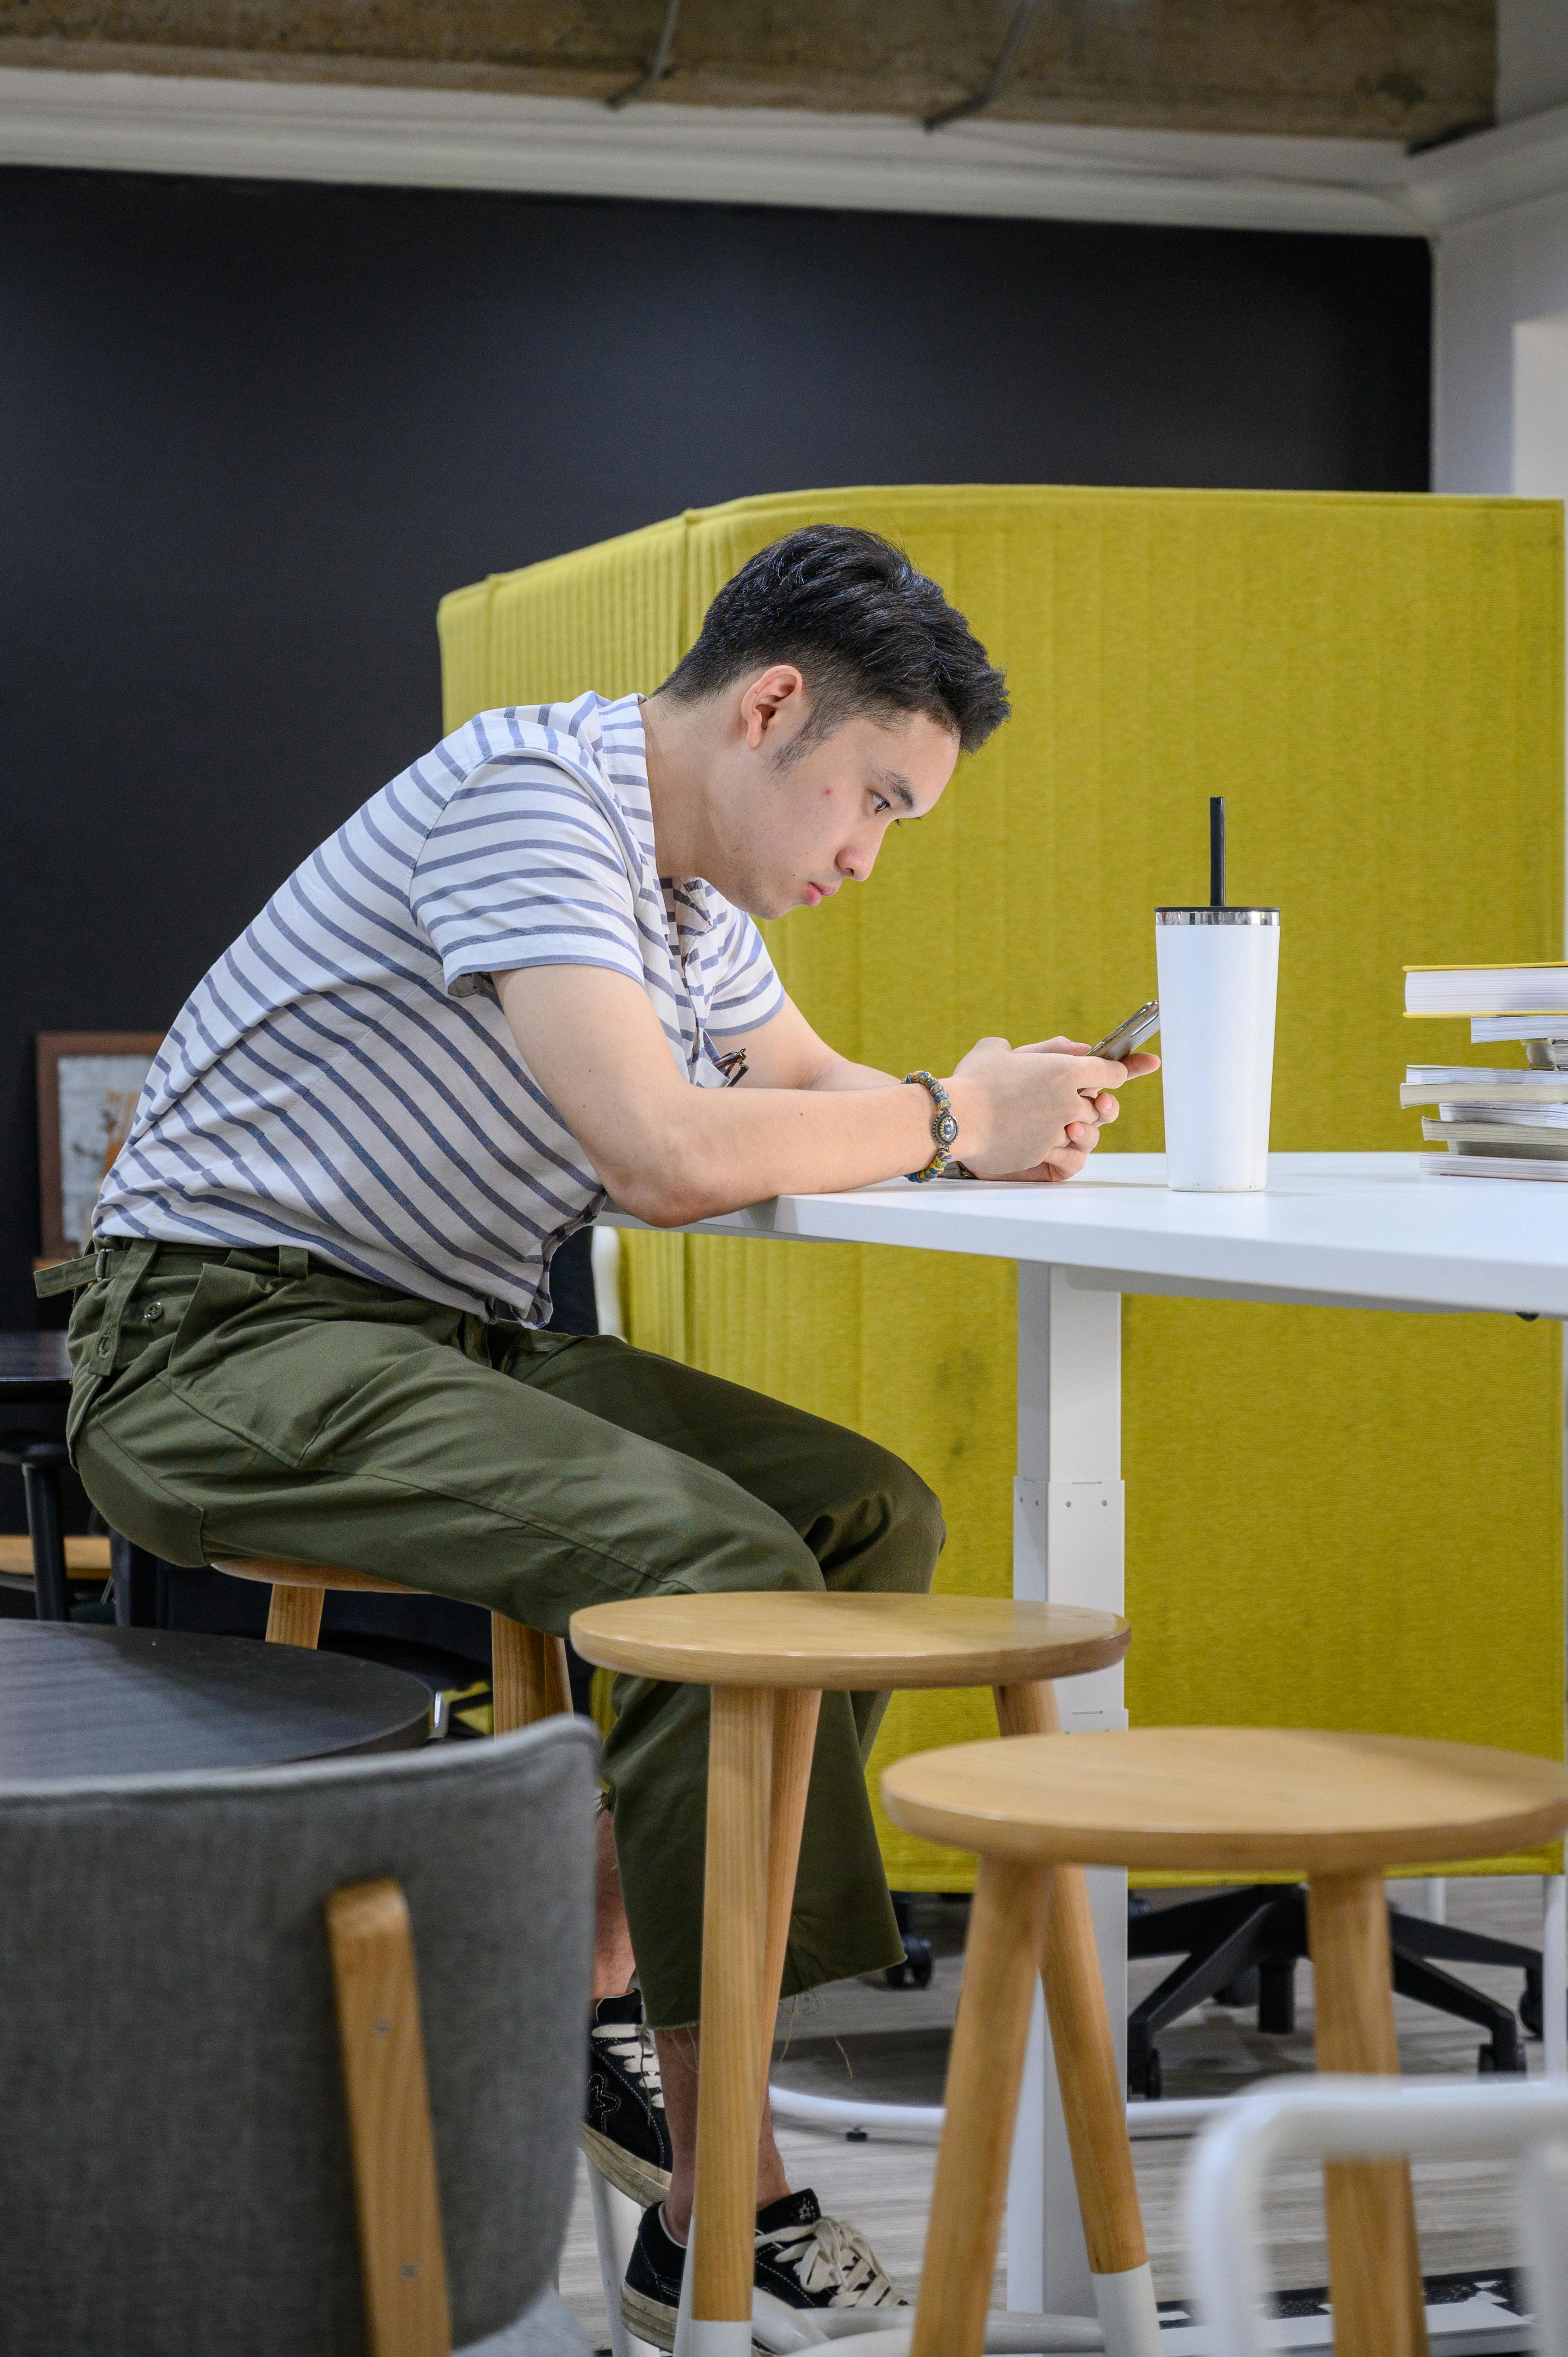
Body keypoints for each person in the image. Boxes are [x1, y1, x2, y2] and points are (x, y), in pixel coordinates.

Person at [44, 525, 1156, 2347]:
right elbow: (661, 1154)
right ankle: (731, 2190)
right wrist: (949, 1118)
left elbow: (802, 1092)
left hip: (430, 1333)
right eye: (868, 800)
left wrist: (995, 1098)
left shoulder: (689, 901)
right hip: (211, 1339)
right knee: (715, 1559)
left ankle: (588, 1993)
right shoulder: (527, 799)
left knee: (869, 1511)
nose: (863, 858)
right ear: (770, 708)